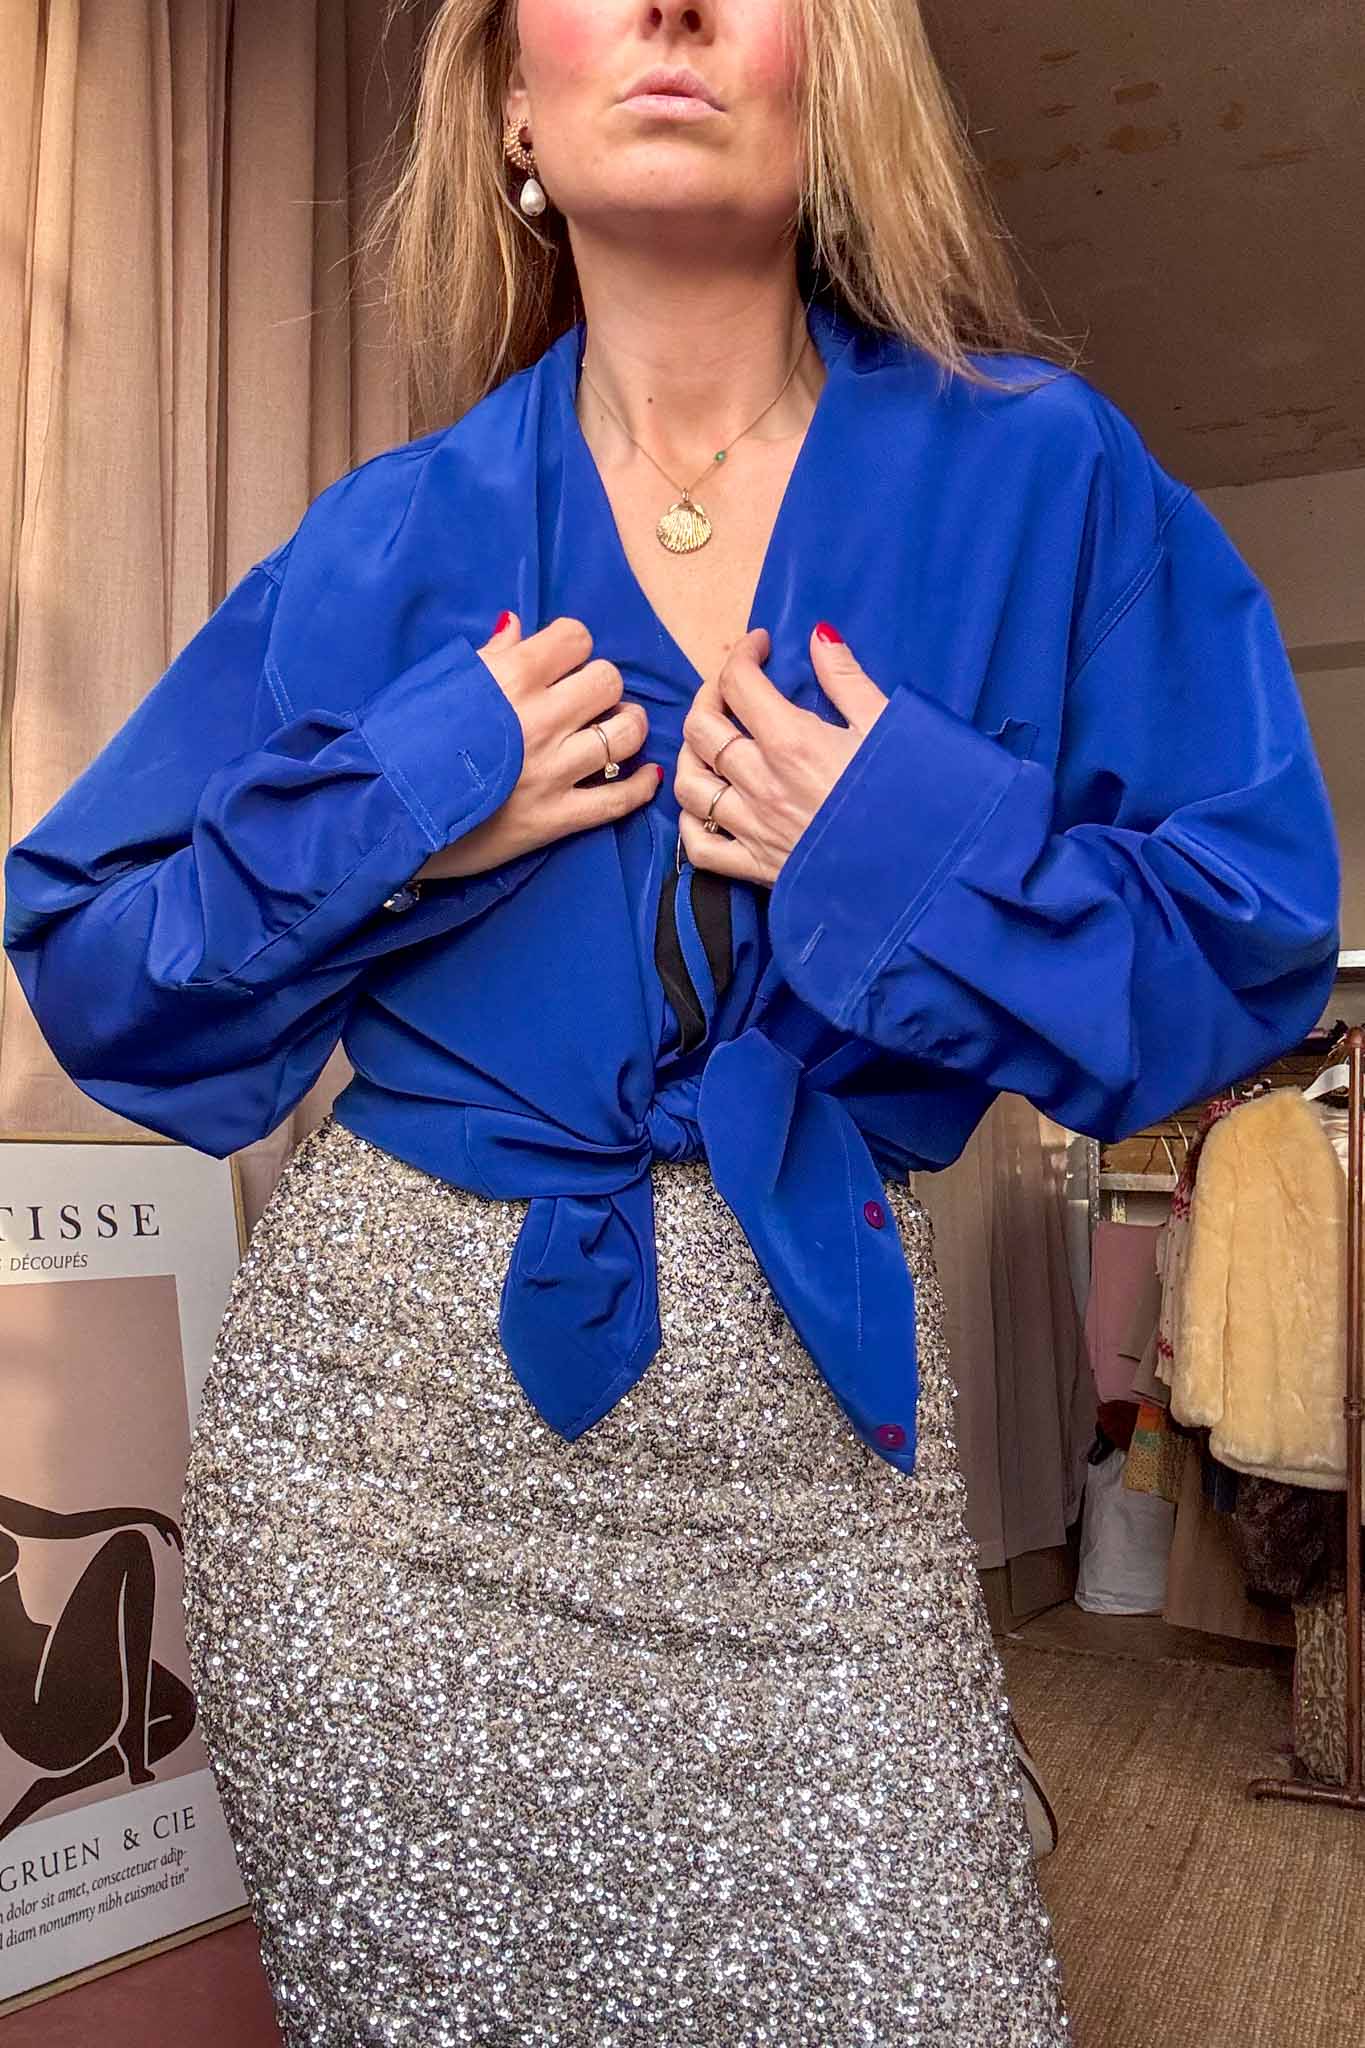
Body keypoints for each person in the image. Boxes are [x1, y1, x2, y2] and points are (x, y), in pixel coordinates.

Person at [2, 0, 1340, 2039]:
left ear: (838, 73)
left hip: (814, 1476)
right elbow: (93, 951)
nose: (671, 8)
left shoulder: (1035, 474)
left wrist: (889, 840)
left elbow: (1245, 945)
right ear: (508, 107)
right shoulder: (393, 534)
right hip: (378, 1485)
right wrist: (404, 807)